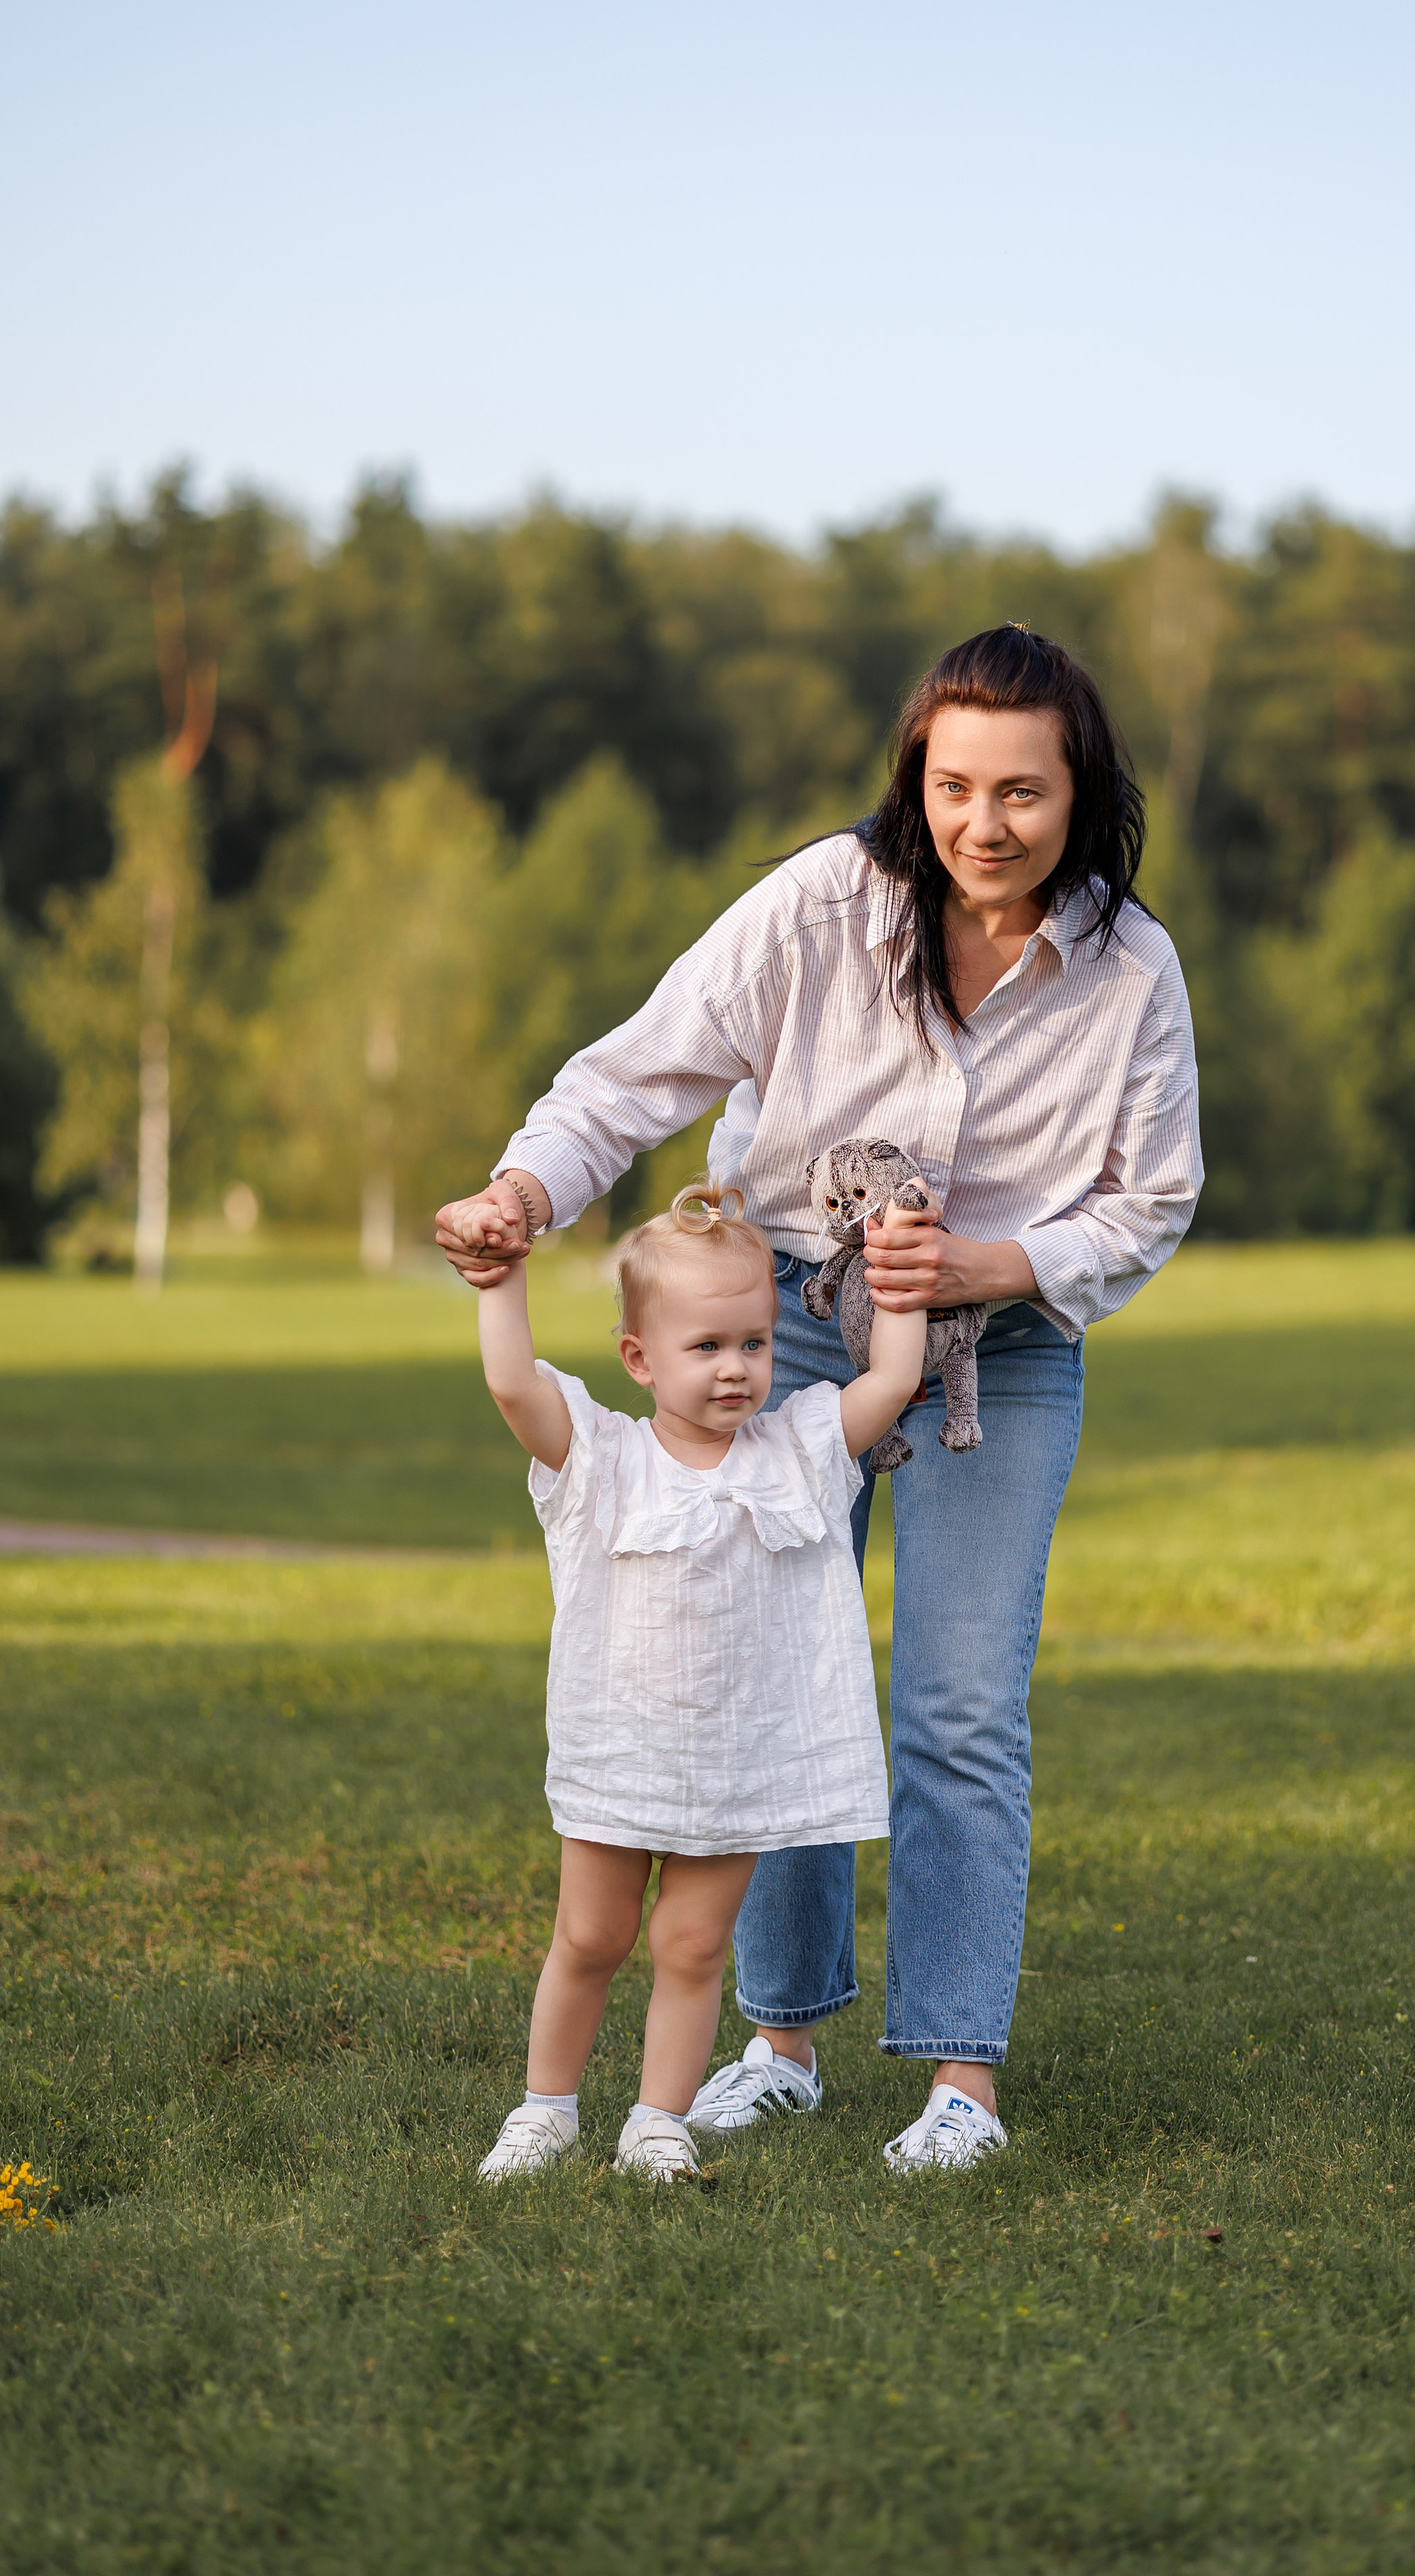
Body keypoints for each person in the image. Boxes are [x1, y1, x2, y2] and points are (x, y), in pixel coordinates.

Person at [441, 624, 1200, 2173]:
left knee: (959, 1705)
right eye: (952, 786)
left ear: (1081, 794)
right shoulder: (817, 907)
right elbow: (634, 1078)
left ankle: (956, 2088)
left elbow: (1150, 1203)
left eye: (1021, 794)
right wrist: (525, 1189)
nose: (981, 825)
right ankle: (778, 2041)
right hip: (780, 1322)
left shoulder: (1130, 970)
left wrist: (990, 1263)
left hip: (1009, 1345)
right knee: (768, 1668)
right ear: (914, 779)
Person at [475, 1182, 927, 2183]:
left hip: (739, 1765)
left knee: (691, 1949)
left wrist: (893, 1261)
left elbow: (893, 1380)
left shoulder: (800, 1451)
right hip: (619, 1754)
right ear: (639, 1358)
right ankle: (545, 2110)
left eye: (755, 1344)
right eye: (707, 1347)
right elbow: (514, 1385)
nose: (737, 1369)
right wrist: (501, 1279)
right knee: (590, 1937)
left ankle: (657, 2120)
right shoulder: (602, 1459)